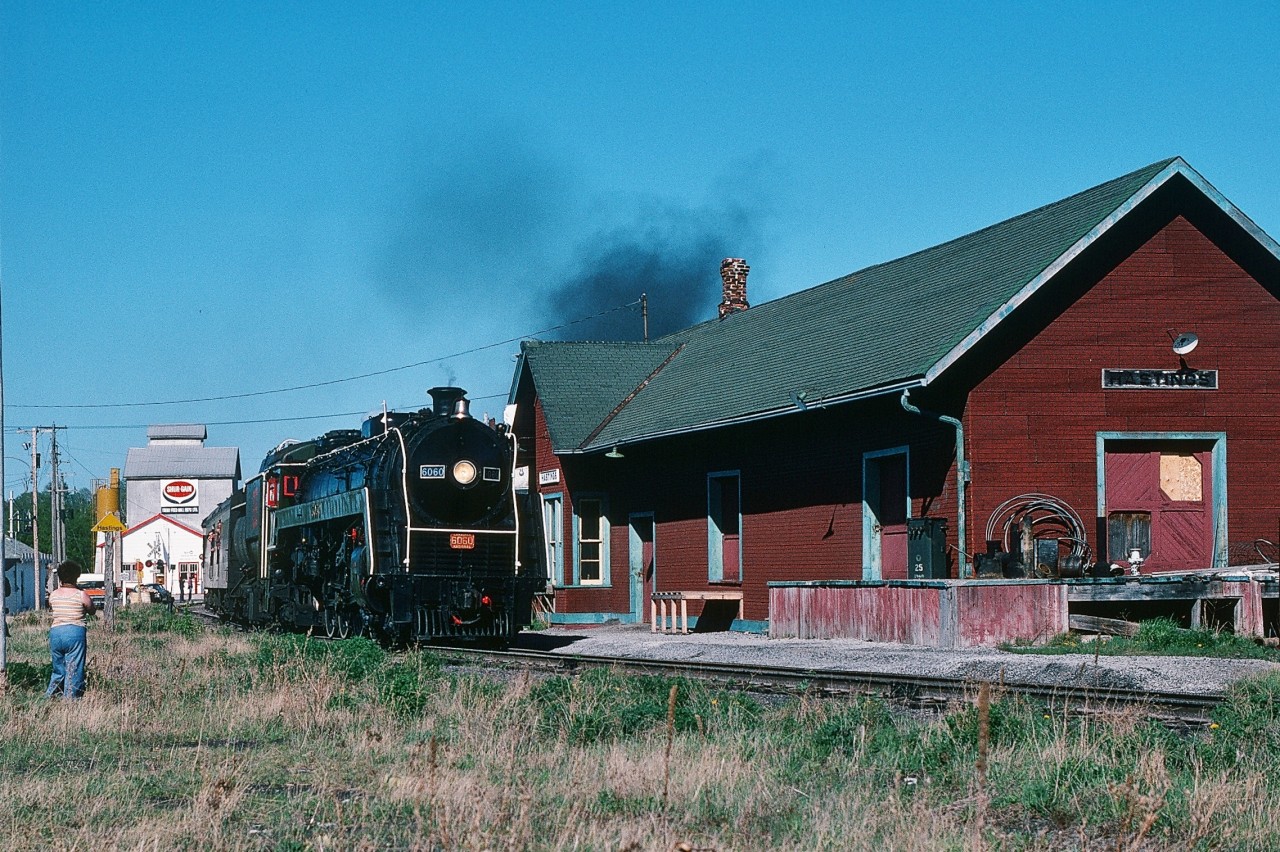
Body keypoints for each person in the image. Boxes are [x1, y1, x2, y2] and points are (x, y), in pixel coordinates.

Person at [44, 560, 95, 700]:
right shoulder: (81, 594)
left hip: (56, 632)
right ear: (76, 576)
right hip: (75, 632)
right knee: (74, 667)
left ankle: (52, 694)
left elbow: (51, 607)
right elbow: (92, 610)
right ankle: (71, 698)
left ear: (60, 577)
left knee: (58, 667)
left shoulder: (53, 595)